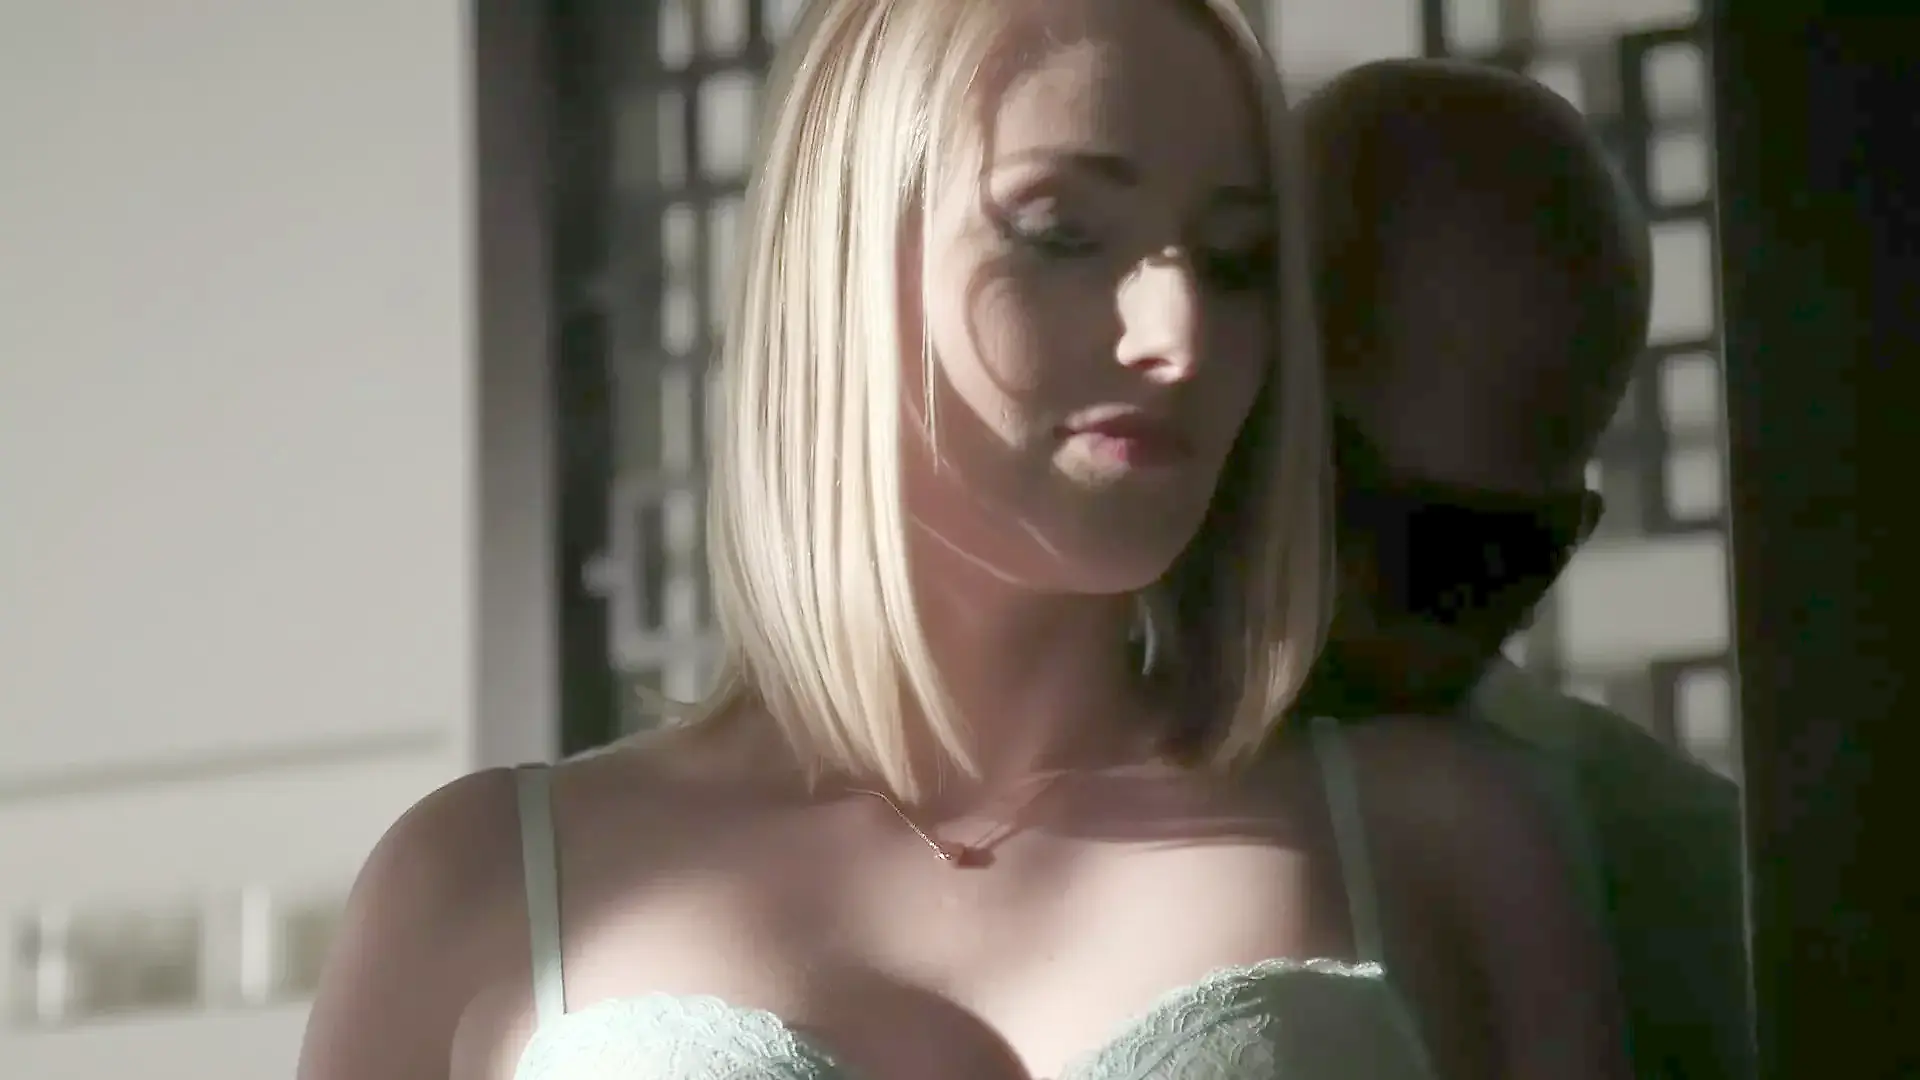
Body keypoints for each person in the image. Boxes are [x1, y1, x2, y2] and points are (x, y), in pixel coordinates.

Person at [298, 4, 1626, 1079]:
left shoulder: (1440, 841)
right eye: (1060, 232)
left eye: (1234, 260)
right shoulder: (475, 887)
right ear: (844, 257)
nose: (1179, 333)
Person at [1298, 59, 1753, 1079]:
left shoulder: (1683, 879)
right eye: (1343, 498)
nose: (1366, 605)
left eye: (1460, 562)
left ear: (1564, 538)